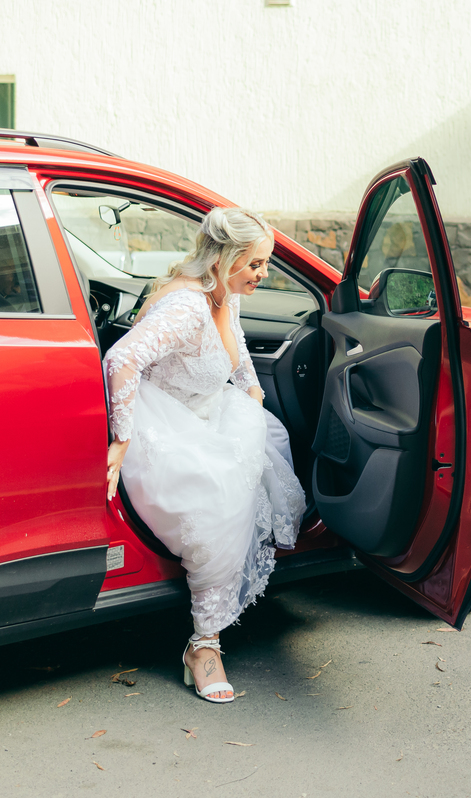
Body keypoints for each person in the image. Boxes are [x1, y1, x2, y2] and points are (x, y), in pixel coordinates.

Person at [103, 207, 305, 703]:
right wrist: (122, 437)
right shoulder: (187, 307)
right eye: (254, 264)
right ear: (226, 257)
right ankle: (204, 646)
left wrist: (254, 398)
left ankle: (212, 631)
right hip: (166, 426)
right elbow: (121, 359)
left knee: (261, 449)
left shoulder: (224, 294)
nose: (262, 274)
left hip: (211, 412)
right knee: (217, 505)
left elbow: (234, 347)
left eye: (265, 264)